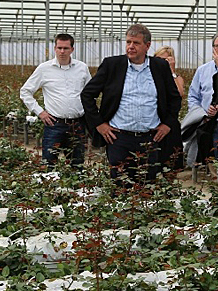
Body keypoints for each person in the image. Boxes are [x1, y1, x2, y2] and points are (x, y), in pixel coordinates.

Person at [81, 24, 182, 186]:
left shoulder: (159, 67)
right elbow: (87, 95)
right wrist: (99, 124)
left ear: (147, 46)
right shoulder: (112, 65)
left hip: (151, 139)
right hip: (119, 139)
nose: (131, 47)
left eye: (136, 43)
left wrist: (168, 124)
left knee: (148, 186)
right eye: (128, 42)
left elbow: (174, 98)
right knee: (120, 187)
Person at [20, 33, 91, 170]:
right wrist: (40, 112)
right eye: (59, 48)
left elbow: (90, 93)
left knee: (77, 165)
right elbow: (25, 92)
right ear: (54, 48)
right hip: (54, 124)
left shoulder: (82, 68)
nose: (62, 51)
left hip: (77, 124)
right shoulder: (44, 69)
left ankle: (76, 191)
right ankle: (49, 189)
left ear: (72, 49)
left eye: (66, 48)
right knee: (49, 164)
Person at [181, 31, 218, 168]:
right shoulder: (202, 70)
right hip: (206, 121)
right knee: (206, 155)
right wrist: (200, 114)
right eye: (217, 46)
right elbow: (193, 96)